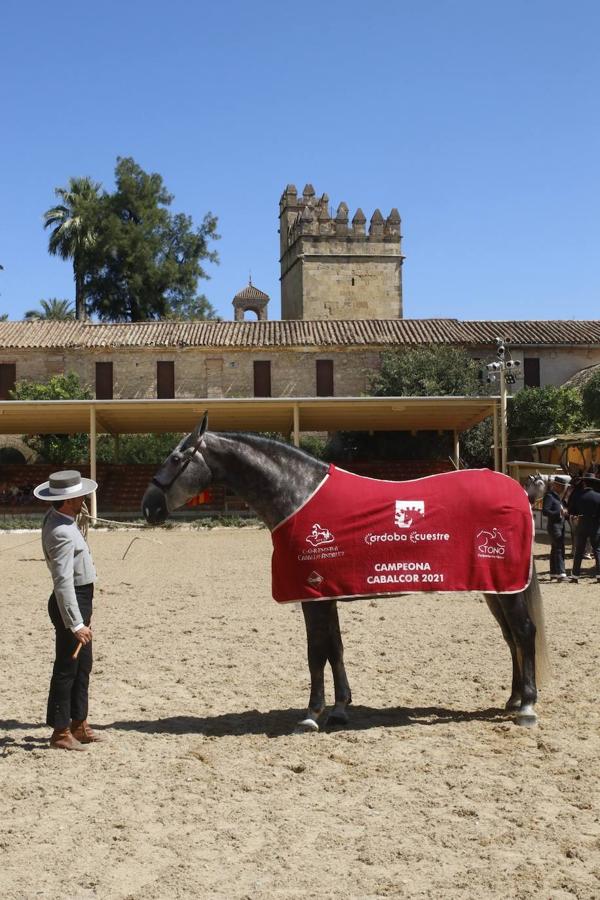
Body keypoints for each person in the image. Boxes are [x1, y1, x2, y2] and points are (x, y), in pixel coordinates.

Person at [34, 469, 105, 750]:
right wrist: (75, 623)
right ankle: (61, 731)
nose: (84, 499)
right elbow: (62, 581)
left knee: (82, 664)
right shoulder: (61, 531)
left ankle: (79, 722)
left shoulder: (64, 519)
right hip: (71, 601)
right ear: (67, 501)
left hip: (79, 599)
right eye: (79, 497)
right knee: (67, 667)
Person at [571, 474, 600, 582]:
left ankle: (575, 576)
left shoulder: (578, 495)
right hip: (595, 525)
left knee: (579, 551)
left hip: (582, 524)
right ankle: (599, 576)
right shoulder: (598, 496)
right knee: (597, 551)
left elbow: (572, 511)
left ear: (584, 483)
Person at [542, 474, 571, 582]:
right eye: (562, 486)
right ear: (556, 485)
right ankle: (561, 574)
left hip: (559, 525)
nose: (564, 488)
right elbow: (545, 511)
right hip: (554, 526)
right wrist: (558, 513)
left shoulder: (558, 497)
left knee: (555, 549)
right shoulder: (550, 496)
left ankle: (554, 573)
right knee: (559, 548)